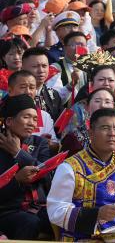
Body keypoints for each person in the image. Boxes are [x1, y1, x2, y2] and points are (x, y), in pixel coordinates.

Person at [48, 107, 115, 241]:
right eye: (105, 128)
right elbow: (56, 210)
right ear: (91, 133)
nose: (112, 134)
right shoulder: (70, 167)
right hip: (82, 237)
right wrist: (97, 214)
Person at [0, 94, 54, 239]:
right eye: (26, 117)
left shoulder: (40, 143)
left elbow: (47, 178)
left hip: (39, 207)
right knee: (29, 222)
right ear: (9, 121)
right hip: (8, 211)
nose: (32, 123)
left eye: (35, 119)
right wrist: (17, 180)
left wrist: (18, 153)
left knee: (64, 217)